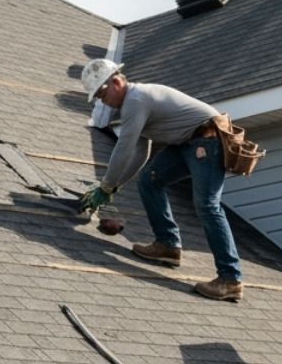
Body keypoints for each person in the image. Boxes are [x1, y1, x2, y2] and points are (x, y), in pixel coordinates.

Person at [76, 59, 243, 302]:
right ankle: (167, 246)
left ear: (115, 82)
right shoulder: (133, 104)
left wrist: (105, 185)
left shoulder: (136, 100)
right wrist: (114, 185)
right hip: (188, 142)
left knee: (207, 205)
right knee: (149, 180)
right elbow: (140, 152)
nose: (102, 101)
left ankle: (230, 279)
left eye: (101, 94)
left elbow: (124, 148)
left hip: (209, 141)